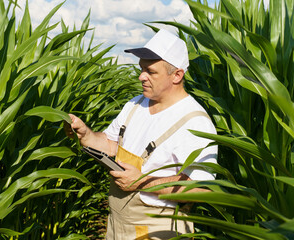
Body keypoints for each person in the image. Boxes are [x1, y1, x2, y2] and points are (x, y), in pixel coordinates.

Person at [65, 29, 217, 239]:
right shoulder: (135, 104)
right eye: (141, 69)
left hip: (159, 229)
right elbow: (111, 144)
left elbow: (202, 188)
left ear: (177, 75)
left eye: (151, 71)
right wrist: (86, 135)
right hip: (118, 223)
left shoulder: (194, 121)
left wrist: (142, 181)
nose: (141, 76)